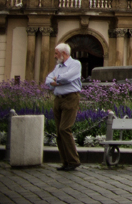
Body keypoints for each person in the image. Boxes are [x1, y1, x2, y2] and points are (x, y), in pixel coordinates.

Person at [44, 43, 82, 171]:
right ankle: (65, 161)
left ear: (63, 53)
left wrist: (56, 80)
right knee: (59, 132)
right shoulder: (58, 66)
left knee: (65, 128)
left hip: (71, 98)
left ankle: (73, 160)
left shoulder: (75, 64)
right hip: (58, 100)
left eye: (56, 53)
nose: (54, 56)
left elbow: (67, 78)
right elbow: (48, 81)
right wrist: (55, 81)